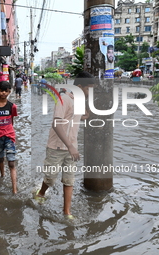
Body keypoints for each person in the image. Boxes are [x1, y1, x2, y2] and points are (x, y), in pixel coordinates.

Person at [34, 71, 95, 219]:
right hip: (57, 146)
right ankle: (41, 193)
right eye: (88, 89)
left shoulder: (78, 101)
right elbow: (57, 123)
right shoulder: (64, 98)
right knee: (50, 178)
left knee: (69, 180)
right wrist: (70, 146)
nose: (89, 93)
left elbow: (76, 118)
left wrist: (86, 114)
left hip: (71, 147)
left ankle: (67, 212)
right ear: (80, 87)